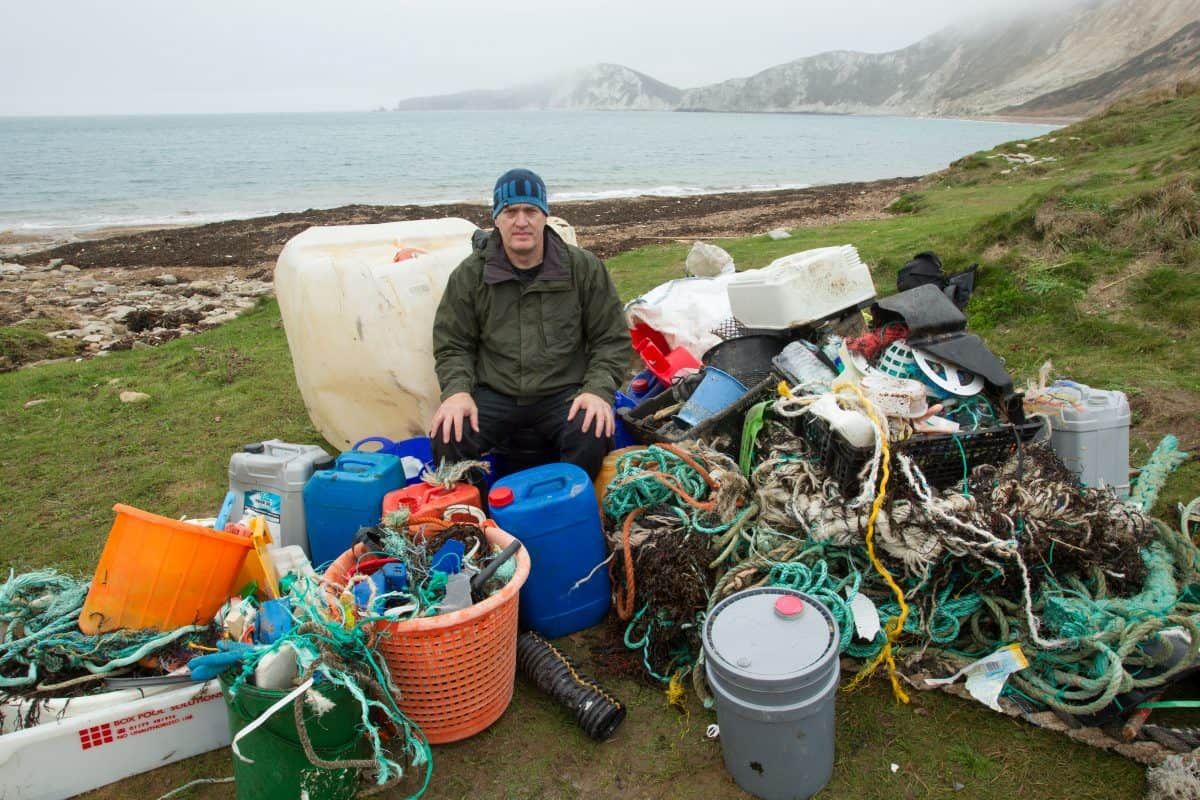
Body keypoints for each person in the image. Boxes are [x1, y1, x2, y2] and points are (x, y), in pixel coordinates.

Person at [429, 168, 631, 480]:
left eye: (530, 211)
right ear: (496, 218)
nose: (521, 221)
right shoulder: (469, 275)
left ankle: (570, 509)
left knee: (593, 429)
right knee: (449, 434)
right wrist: (457, 392)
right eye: (510, 211)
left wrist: (597, 390)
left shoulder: (583, 268)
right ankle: (476, 513)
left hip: (563, 392)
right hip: (495, 392)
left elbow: (612, 340)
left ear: (544, 216)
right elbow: (453, 344)